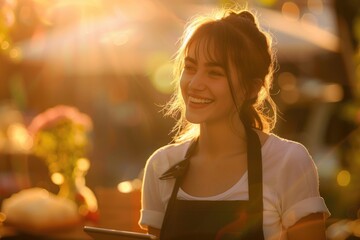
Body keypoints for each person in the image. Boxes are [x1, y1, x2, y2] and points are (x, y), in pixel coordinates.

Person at [139, 5, 330, 240]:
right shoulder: (161, 167)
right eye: (190, 68)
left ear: (251, 88)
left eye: (214, 73)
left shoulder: (288, 162)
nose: (195, 83)